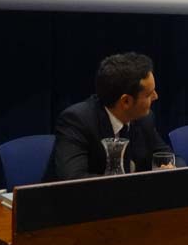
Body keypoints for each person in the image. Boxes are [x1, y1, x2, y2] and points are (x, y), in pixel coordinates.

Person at [43, 52, 173, 181]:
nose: (156, 96)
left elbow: (169, 156)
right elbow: (73, 180)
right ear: (126, 101)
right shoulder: (77, 121)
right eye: (149, 94)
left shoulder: (144, 118)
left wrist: (170, 167)